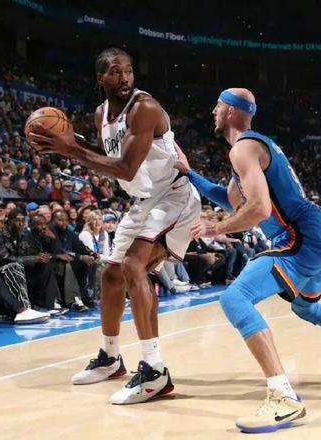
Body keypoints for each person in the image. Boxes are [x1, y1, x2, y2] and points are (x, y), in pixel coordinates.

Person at [175, 88, 321, 433]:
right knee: (305, 307)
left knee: (235, 298)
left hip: (301, 238)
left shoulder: (243, 148)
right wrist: (190, 174)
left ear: (230, 111)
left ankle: (283, 398)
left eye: (217, 105)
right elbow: (233, 201)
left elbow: (259, 209)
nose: (212, 111)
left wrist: (216, 228)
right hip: (320, 235)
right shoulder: (253, 148)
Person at [28, 47, 201, 404]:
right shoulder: (100, 114)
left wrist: (71, 150)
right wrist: (69, 143)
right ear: (101, 78)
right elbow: (105, 155)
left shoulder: (145, 108)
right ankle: (110, 358)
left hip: (173, 195)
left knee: (134, 265)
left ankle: (154, 371)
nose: (124, 78)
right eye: (115, 71)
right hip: (144, 201)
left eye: (129, 70)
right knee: (110, 276)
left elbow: (125, 168)